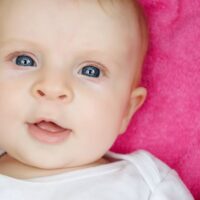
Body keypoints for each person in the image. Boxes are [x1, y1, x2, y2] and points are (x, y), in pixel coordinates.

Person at [0, 0, 194, 199]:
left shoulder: (148, 185)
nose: (53, 88)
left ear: (126, 110)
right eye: (24, 60)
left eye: (90, 71)